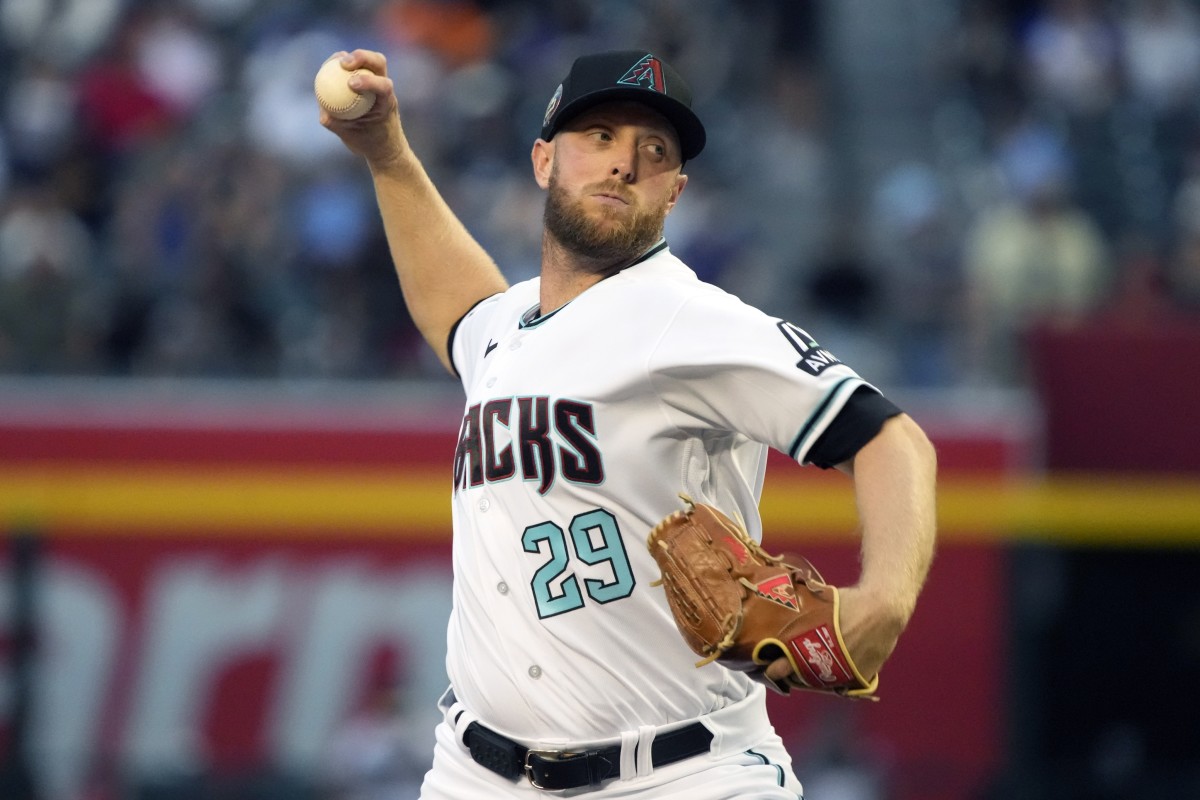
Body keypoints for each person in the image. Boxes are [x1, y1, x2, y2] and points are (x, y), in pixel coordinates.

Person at [321, 48, 937, 799]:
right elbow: (458, 312)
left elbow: (890, 438)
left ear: (674, 192)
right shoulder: (508, 326)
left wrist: (884, 600)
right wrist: (388, 153)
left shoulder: (691, 319)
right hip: (474, 773)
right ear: (545, 160)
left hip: (684, 773)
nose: (624, 164)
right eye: (600, 137)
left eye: (653, 151)